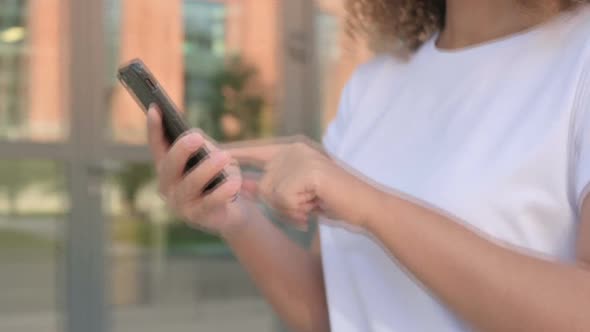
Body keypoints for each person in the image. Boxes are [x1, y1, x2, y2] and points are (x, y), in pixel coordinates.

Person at [146, 0, 590, 331]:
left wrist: (367, 204)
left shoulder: (579, 57)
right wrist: (233, 216)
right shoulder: (375, 84)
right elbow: (329, 312)